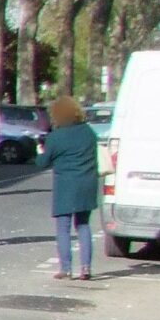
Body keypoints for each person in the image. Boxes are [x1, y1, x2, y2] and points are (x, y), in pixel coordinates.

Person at [41, 97, 101, 280]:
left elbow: (42, 162)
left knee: (63, 228)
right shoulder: (88, 133)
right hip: (87, 184)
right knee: (83, 225)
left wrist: (40, 151)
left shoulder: (55, 137)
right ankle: (86, 268)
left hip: (65, 186)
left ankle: (66, 268)